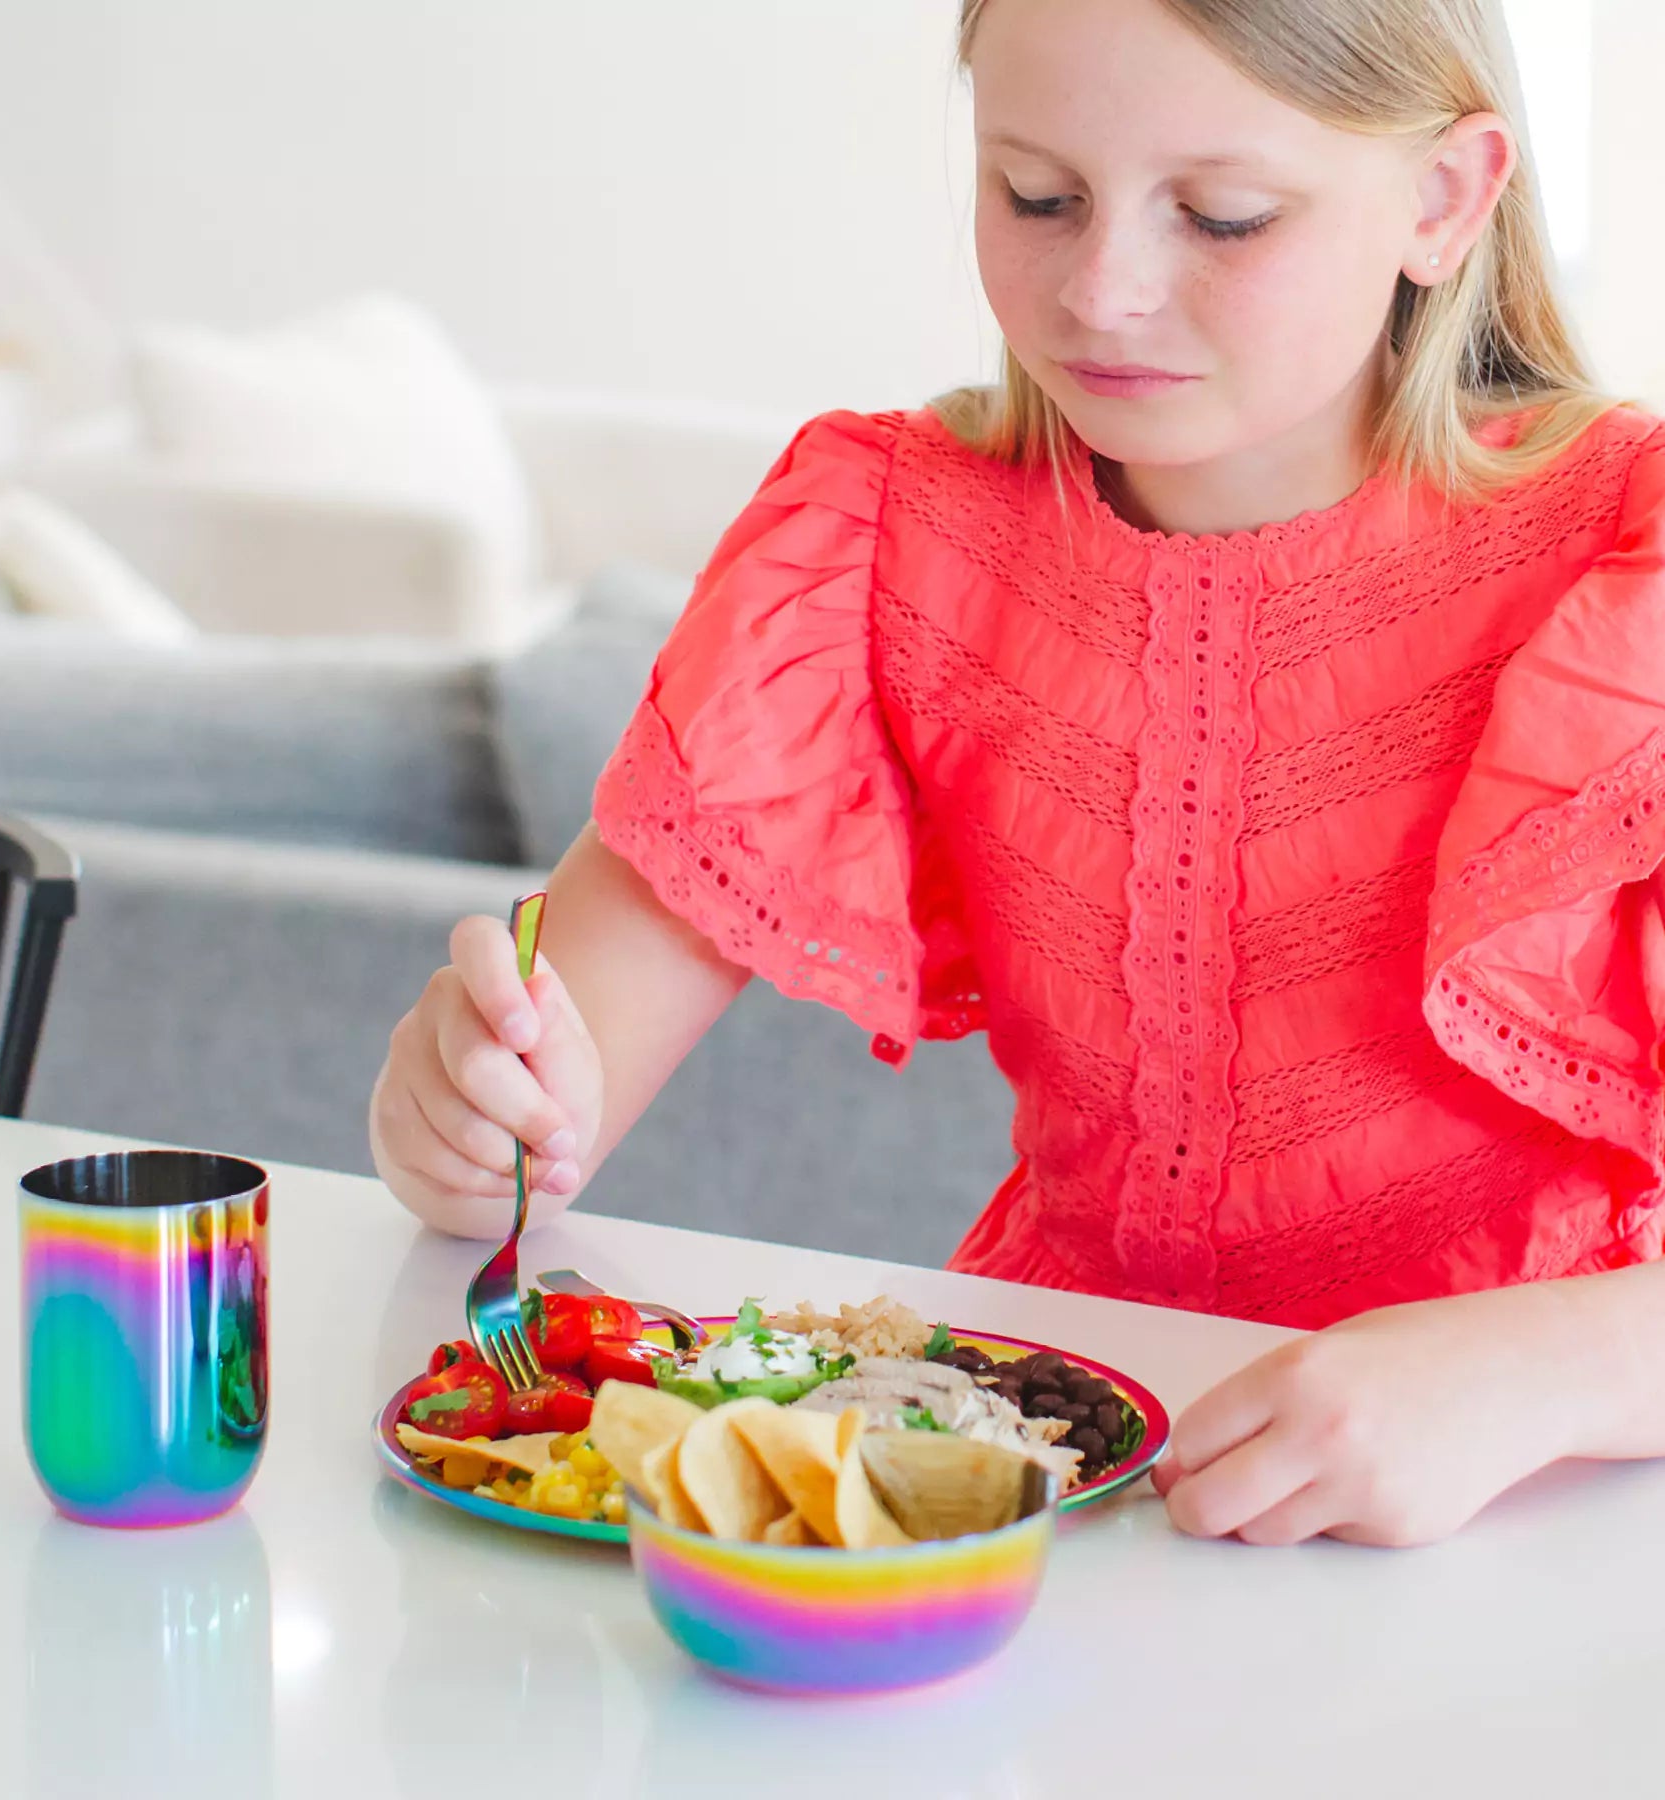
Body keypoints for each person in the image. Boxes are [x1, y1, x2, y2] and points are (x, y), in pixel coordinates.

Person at [370, 0, 1665, 1547]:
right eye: (1036, 195)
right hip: (1053, 1487)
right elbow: (542, 1091)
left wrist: (1527, 1377)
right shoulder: (883, 532)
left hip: (1541, 1520)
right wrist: (471, 1121)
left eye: (1222, 215)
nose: (1102, 291)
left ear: (1447, 200)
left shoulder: (1627, 559)